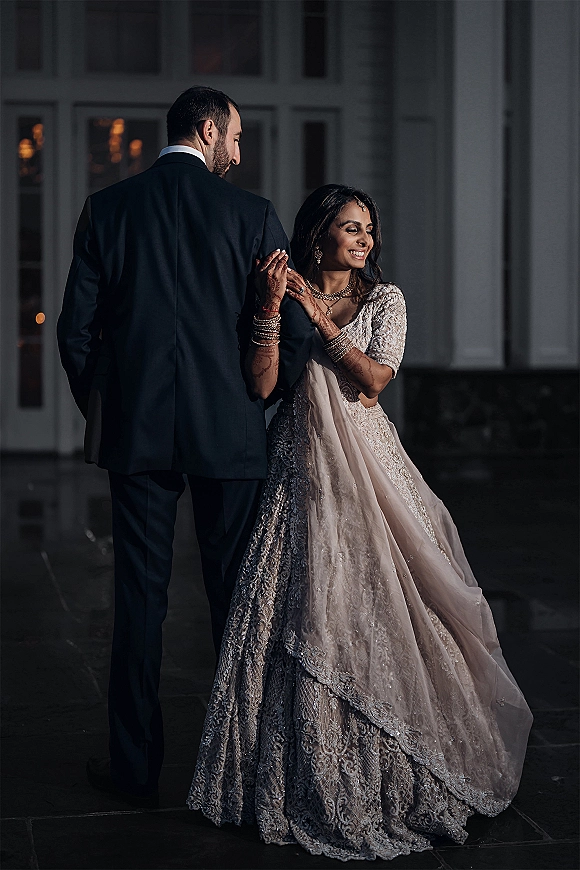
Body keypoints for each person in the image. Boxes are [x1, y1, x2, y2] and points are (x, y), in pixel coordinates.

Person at [188, 185, 533, 861]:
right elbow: (261, 388)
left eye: (368, 229)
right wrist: (270, 309)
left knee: (385, 596)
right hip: (298, 464)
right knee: (295, 602)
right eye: (349, 228)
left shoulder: (385, 300)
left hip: (367, 464)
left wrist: (321, 321)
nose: (363, 240)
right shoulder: (285, 295)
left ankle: (399, 757)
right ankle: (285, 774)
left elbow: (374, 381)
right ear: (318, 237)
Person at [56, 86, 313, 808]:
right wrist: (259, 401)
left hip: (137, 437)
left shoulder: (109, 210)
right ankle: (241, 769)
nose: (239, 151)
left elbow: (75, 332)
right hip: (228, 435)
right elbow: (290, 334)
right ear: (206, 130)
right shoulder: (251, 215)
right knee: (237, 597)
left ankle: (135, 770)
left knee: (138, 600)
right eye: (234, 136)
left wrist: (112, 408)